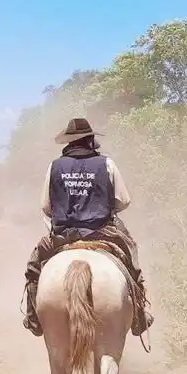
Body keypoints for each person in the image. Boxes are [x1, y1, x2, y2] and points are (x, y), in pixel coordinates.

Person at [22, 118, 154, 338]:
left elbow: (46, 206)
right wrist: (104, 207)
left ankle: (33, 317)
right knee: (131, 256)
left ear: (69, 142)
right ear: (90, 140)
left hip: (64, 235)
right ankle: (139, 314)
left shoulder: (55, 166)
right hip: (102, 232)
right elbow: (124, 200)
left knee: (34, 266)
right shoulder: (107, 164)